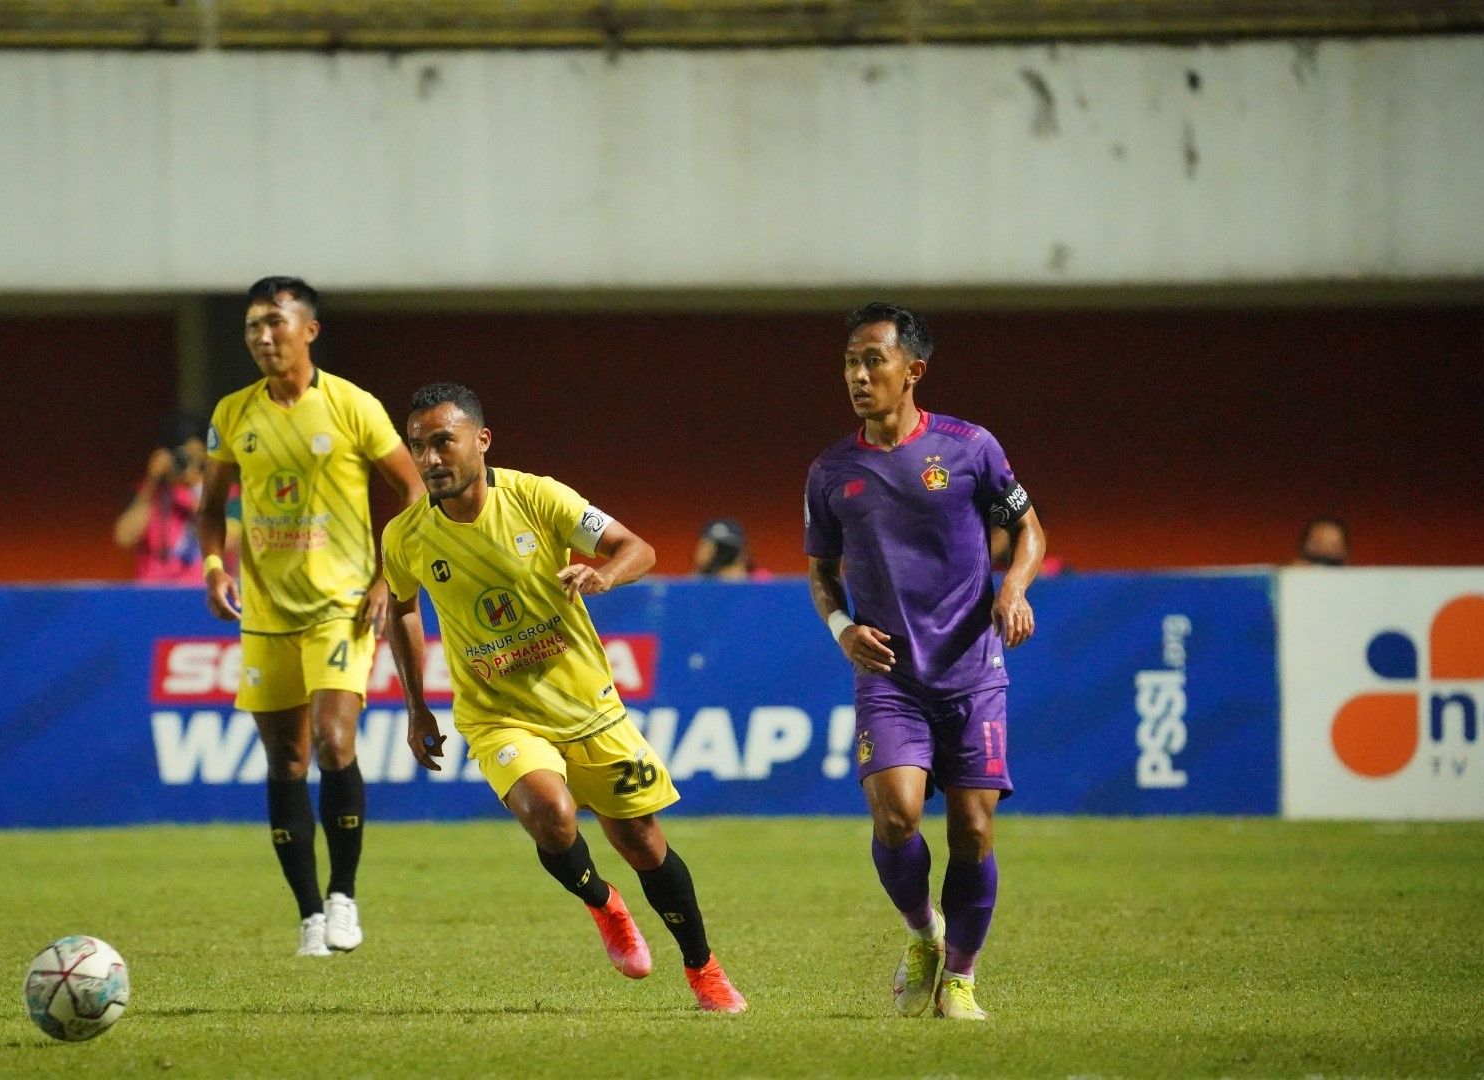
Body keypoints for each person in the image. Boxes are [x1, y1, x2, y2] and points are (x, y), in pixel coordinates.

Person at [381, 382, 747, 1013]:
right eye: (418, 447)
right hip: (498, 714)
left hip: (586, 705)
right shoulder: (405, 536)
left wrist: (603, 573)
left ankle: (704, 969)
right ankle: (604, 904)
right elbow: (402, 610)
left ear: (481, 441)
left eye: (443, 441)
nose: (430, 459)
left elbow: (638, 548)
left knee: (642, 842)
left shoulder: (538, 496)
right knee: (550, 814)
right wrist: (416, 706)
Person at [804, 303, 1046, 1021]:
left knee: (972, 830)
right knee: (898, 817)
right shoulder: (830, 471)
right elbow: (820, 572)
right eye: (850, 361)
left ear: (913, 370)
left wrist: (1013, 588)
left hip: (973, 671)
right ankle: (923, 934)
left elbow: (1027, 529)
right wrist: (842, 627)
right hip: (890, 678)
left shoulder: (971, 448)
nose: (857, 374)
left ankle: (962, 978)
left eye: (872, 359)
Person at [197, 276, 425, 957]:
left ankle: (343, 896)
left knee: (333, 740)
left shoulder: (353, 406)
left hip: (342, 608)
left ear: (309, 330)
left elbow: (414, 491)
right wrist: (213, 567)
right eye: (251, 329)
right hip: (266, 615)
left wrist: (390, 576)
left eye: (274, 323)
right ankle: (308, 918)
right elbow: (210, 509)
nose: (263, 338)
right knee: (286, 759)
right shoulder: (234, 414)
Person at [113, 413, 240, 583]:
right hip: (158, 593)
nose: (190, 465)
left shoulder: (227, 493)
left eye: (197, 457)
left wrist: (193, 490)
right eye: (183, 458)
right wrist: (152, 482)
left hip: (207, 592)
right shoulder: (150, 494)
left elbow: (228, 542)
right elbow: (124, 538)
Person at [692, 518, 771, 579]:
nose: (721, 555)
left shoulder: (762, 581)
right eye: (714, 549)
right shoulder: (692, 585)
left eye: (727, 550)